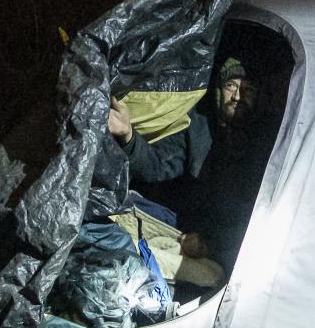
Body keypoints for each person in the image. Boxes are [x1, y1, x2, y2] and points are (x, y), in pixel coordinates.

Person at [107, 57, 260, 261]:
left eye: (248, 89)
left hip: (233, 237)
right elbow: (156, 166)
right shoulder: (196, 127)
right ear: (218, 90)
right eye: (230, 86)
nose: (237, 97)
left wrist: (213, 242)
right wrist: (128, 136)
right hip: (183, 224)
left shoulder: (265, 140)